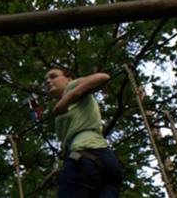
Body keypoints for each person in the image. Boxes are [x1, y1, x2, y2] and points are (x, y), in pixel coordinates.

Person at [45, 67, 122, 197]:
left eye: (53, 76)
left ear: (68, 79)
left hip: (83, 157)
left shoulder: (71, 87)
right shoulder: (61, 110)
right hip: (104, 159)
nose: (48, 81)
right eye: (46, 80)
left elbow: (103, 77)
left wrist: (68, 97)